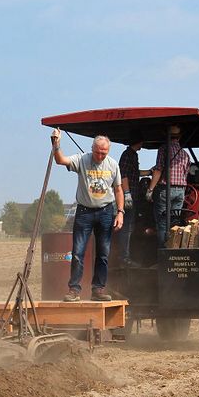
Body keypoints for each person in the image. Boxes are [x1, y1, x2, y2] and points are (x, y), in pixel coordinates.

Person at [51, 129, 124, 302]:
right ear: (92, 149)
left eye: (104, 153)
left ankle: (98, 290)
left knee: (103, 253)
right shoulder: (82, 159)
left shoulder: (113, 164)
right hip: (84, 211)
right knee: (78, 252)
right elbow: (60, 160)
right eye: (98, 152)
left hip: (106, 211)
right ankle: (74, 290)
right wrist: (56, 144)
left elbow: (118, 189)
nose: (100, 156)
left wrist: (120, 212)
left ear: (109, 151)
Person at [146, 125, 191, 247]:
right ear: (179, 137)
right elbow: (186, 173)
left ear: (167, 136)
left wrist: (150, 190)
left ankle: (163, 253)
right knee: (174, 223)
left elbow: (158, 170)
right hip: (180, 191)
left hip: (165, 190)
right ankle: (173, 250)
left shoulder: (164, 149)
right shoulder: (185, 154)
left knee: (162, 223)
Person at [116, 140, 152, 266]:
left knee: (130, 226)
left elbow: (135, 173)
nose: (142, 144)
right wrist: (127, 194)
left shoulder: (133, 155)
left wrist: (149, 172)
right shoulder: (126, 155)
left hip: (135, 195)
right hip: (129, 196)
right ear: (138, 141)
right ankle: (123, 257)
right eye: (141, 141)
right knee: (126, 227)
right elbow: (123, 175)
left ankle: (129, 255)